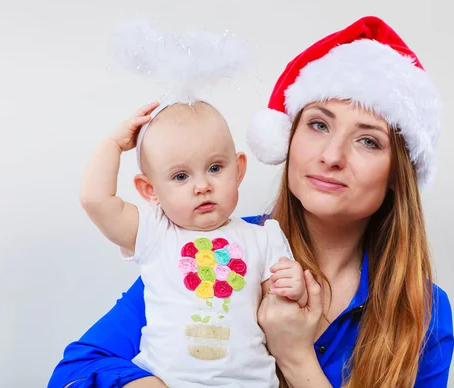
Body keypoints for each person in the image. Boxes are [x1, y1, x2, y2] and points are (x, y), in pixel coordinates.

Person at [49, 15, 454, 388]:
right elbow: (74, 372)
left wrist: (297, 359)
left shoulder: (424, 313)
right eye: (317, 124)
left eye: (368, 140)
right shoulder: (207, 245)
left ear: (398, 176)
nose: (332, 156)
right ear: (288, 139)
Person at [77, 97, 306, 387]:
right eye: (181, 176)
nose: (202, 186)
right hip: (168, 381)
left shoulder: (263, 236)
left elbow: (279, 308)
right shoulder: (153, 232)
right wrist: (113, 144)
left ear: (238, 170)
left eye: (214, 168)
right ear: (150, 190)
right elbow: (94, 200)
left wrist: (293, 284)